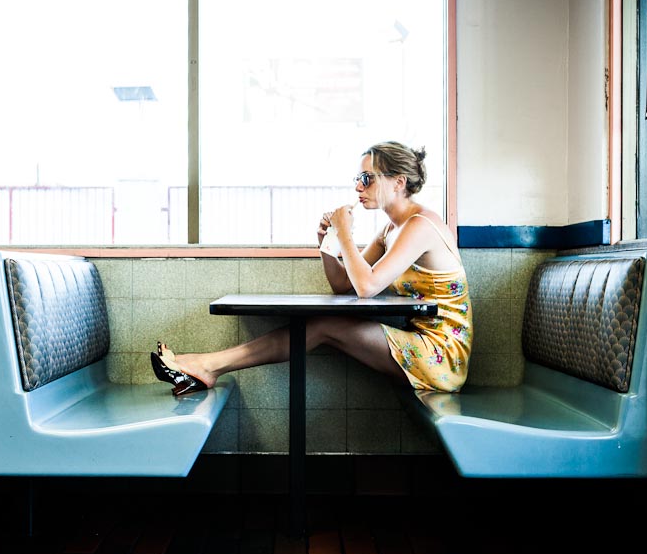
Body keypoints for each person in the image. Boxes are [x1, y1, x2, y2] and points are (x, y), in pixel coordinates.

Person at [151, 141, 473, 396]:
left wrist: (345, 234)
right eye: (357, 180)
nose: (358, 188)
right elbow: (344, 286)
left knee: (321, 326)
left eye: (367, 179)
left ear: (398, 182)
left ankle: (207, 366)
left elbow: (366, 287)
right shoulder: (391, 229)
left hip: (443, 355)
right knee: (316, 325)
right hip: (421, 341)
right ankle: (206, 365)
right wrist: (327, 245)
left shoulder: (420, 226)